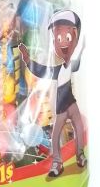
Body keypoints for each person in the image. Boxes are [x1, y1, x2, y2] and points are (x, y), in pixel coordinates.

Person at [18, 10, 86, 178]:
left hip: (72, 104)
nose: (63, 43)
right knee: (55, 135)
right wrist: (27, 60)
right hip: (60, 108)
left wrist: (83, 48)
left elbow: (78, 63)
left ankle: (80, 155)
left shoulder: (72, 64)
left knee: (78, 127)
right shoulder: (57, 68)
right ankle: (57, 162)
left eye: (68, 38)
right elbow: (42, 70)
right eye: (58, 39)